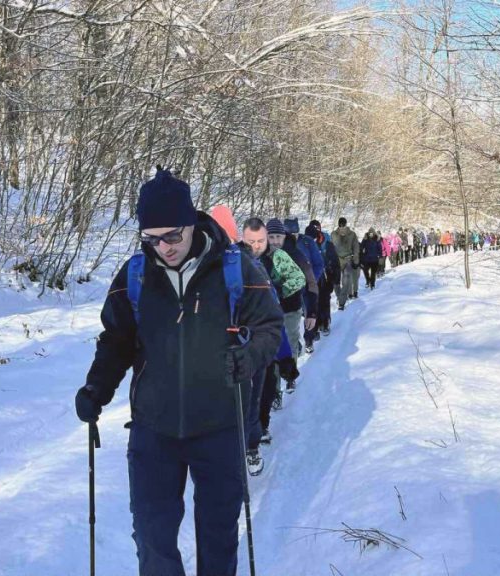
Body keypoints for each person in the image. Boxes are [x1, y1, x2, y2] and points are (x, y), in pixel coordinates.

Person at [76, 169, 283, 576]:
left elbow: (269, 327)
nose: (164, 247)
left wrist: (250, 356)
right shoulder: (135, 275)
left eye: (172, 236)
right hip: (154, 430)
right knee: (152, 539)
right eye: (151, 239)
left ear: (191, 224)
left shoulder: (235, 268)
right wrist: (95, 389)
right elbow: (116, 340)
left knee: (218, 536)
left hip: (221, 426)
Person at [239, 217, 302, 452]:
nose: (257, 245)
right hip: (238, 339)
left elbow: (301, 277)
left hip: (274, 323)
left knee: (263, 384)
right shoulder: (234, 261)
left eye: (263, 240)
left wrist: (281, 293)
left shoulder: (277, 257)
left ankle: (259, 430)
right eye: (251, 241)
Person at [285, 217, 323, 353]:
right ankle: (295, 343)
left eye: (295, 234)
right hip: (288, 288)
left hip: (306, 285)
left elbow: (318, 263)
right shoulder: (278, 244)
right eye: (289, 235)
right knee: (290, 317)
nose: (292, 237)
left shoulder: (307, 242)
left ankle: (308, 340)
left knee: (309, 313)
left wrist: (312, 279)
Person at [308, 220, 340, 336]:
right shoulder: (306, 242)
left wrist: (336, 279)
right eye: (313, 228)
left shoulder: (327, 243)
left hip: (326, 277)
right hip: (311, 277)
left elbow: (335, 261)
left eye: (317, 228)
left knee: (325, 301)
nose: (315, 231)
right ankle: (315, 327)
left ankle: (325, 323)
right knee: (313, 302)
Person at [331, 217, 359, 310]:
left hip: (348, 259)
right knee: (335, 282)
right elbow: (330, 248)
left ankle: (342, 302)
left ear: (346, 225)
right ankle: (340, 298)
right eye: (340, 225)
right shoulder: (334, 234)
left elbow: (356, 248)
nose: (342, 227)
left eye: (343, 225)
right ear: (338, 225)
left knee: (346, 281)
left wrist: (355, 260)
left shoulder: (352, 234)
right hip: (336, 260)